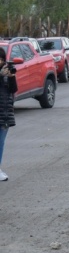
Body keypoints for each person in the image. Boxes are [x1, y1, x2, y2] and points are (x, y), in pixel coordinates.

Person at [0, 48, 17, 181]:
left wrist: (11, 77)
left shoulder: (6, 71)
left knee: (1, 143)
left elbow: (13, 90)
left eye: (1, 59)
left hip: (4, 113)